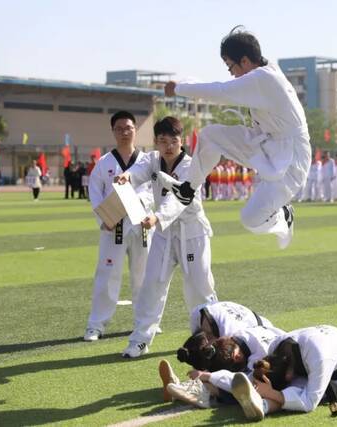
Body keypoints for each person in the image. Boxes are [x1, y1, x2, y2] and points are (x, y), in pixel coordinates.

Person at [164, 27, 309, 250]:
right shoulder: (263, 74)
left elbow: (221, 92)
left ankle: (282, 215)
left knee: (251, 219)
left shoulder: (264, 78)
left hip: (291, 157)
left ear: (244, 60)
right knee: (210, 135)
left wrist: (180, 88)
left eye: (230, 66)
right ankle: (188, 189)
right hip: (264, 141)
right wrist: (183, 82)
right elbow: (220, 87)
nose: (231, 72)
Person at [116, 117, 217, 358]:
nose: (169, 146)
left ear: (181, 141)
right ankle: (140, 339)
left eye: (174, 140)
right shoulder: (152, 160)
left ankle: (211, 338)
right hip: (163, 234)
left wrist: (157, 217)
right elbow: (139, 169)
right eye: (163, 141)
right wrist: (127, 176)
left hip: (191, 233)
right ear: (156, 142)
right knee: (151, 284)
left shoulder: (192, 166)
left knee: (199, 287)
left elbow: (179, 200)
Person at [83, 111, 154, 342]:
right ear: (113, 132)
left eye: (129, 128)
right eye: (119, 129)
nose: (125, 132)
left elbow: (156, 192)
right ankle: (96, 325)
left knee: (143, 275)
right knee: (107, 274)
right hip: (113, 227)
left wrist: (144, 206)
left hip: (141, 225)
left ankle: (145, 322)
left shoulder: (148, 161)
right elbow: (95, 193)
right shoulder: (104, 163)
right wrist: (103, 219)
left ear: (135, 130)